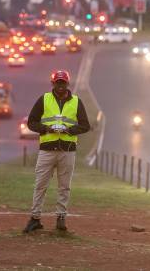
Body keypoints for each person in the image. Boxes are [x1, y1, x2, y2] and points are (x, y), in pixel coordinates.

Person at [23, 70, 91, 233]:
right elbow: (31, 122)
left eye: (63, 83)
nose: (60, 86)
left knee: (64, 187)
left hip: (67, 151)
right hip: (47, 150)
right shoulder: (44, 99)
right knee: (40, 185)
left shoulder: (76, 102)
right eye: (57, 83)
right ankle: (35, 218)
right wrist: (46, 128)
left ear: (67, 84)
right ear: (53, 84)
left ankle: (61, 218)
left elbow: (85, 125)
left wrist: (69, 130)